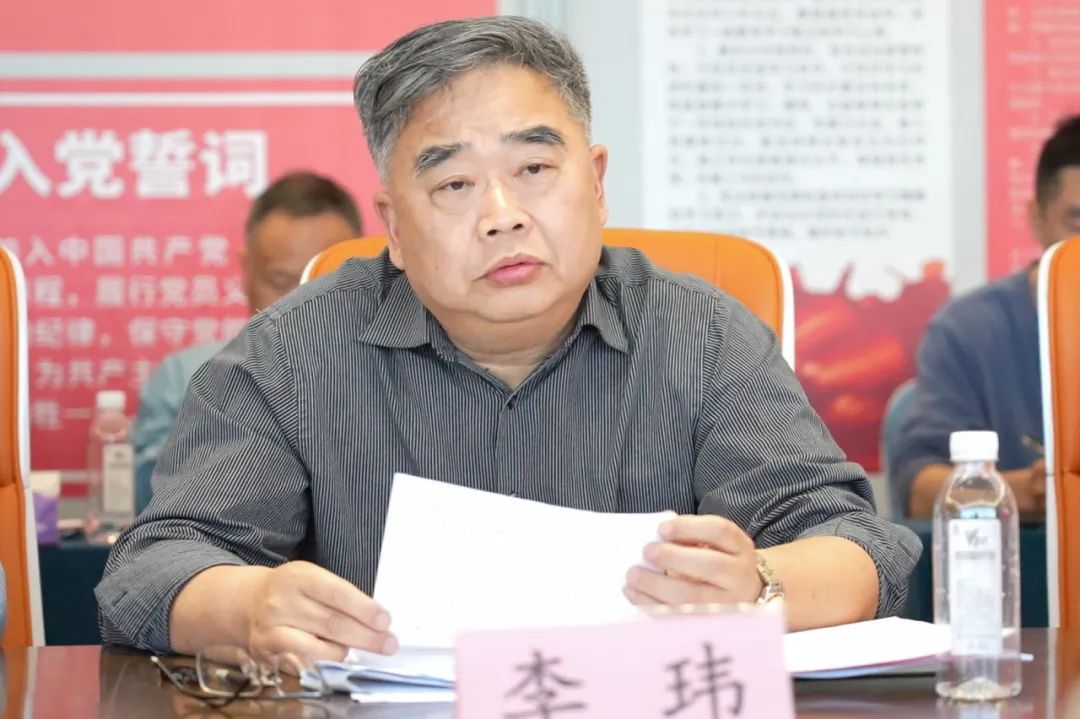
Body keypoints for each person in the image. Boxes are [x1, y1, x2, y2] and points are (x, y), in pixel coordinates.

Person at [97, 16, 919, 663]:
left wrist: (761, 582)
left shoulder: (702, 336)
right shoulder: (290, 356)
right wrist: (247, 605)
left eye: (534, 169)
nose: (502, 215)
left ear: (596, 182)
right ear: (393, 225)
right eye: (454, 183)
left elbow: (860, 547)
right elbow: (152, 567)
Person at [131, 172, 362, 510]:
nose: (301, 302)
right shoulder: (184, 377)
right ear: (246, 269)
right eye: (281, 282)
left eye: (321, 282)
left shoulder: (396, 373)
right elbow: (149, 506)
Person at [893, 114, 1080, 520]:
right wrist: (1036, 491)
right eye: (1077, 221)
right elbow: (919, 489)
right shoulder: (968, 332)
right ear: (1037, 218)